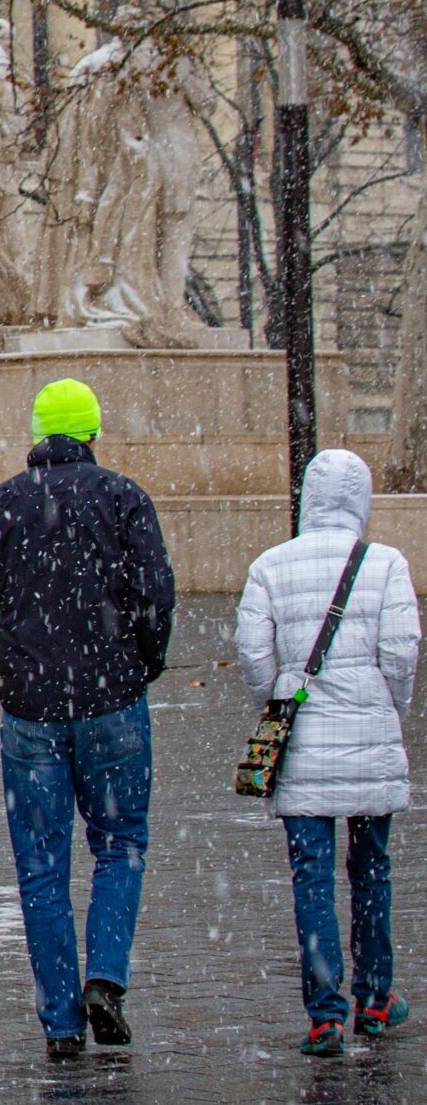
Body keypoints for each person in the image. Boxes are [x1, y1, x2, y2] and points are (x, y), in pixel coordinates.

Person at [0, 378, 174, 1060]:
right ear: (92, 434)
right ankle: (105, 978)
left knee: (41, 866)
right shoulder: (123, 498)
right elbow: (155, 595)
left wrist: (8, 675)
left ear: (36, 436)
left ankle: (60, 1021)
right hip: (113, 702)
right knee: (120, 844)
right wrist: (138, 664)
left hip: (31, 713)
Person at [235, 449, 419, 1056]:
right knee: (372, 869)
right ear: (361, 500)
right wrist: (391, 708)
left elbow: (253, 657)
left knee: (311, 876)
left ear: (308, 499)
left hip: (302, 744)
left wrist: (281, 696)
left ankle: (324, 1015)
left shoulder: (270, 566)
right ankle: (376, 997)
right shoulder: (385, 563)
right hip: (369, 737)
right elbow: (401, 652)